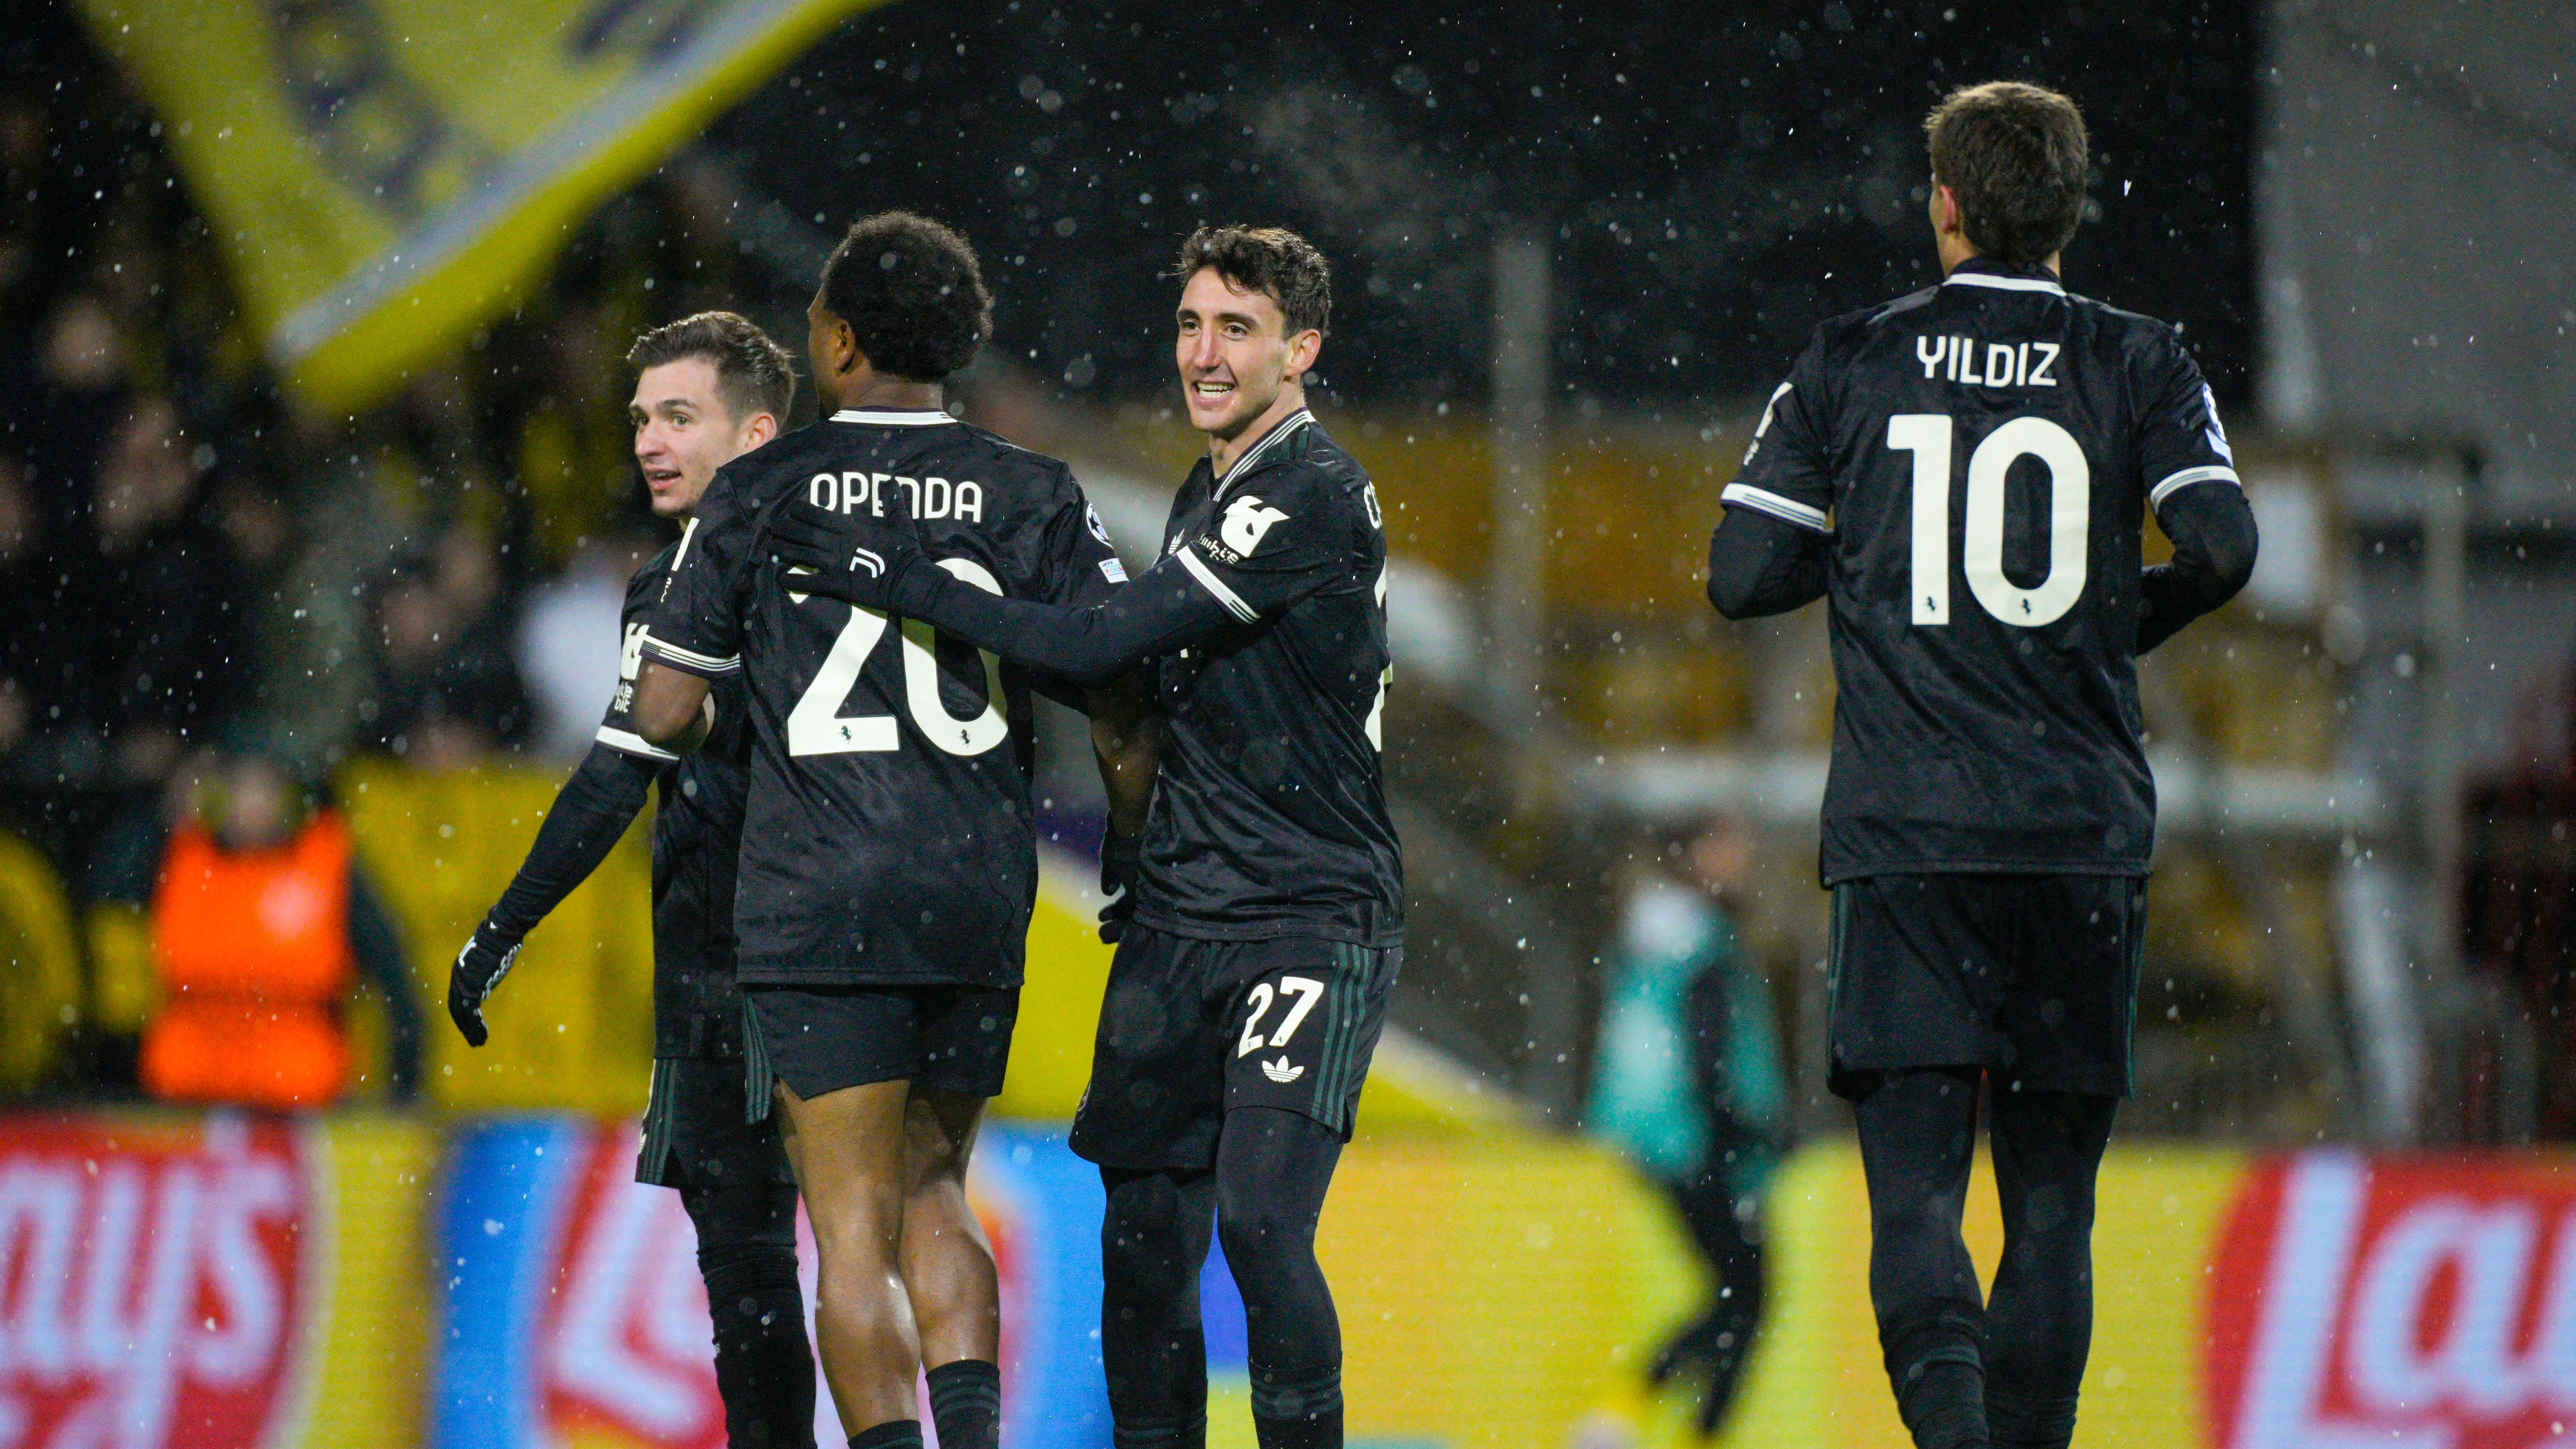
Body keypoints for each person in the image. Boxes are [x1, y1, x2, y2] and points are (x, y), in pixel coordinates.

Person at [766, 224, 1401, 1449]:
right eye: (1190, 325)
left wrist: (905, 577)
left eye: (1238, 329)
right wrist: (1137, 839)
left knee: (1262, 1223)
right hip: (1181, 915)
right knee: (1141, 1241)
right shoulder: (1203, 489)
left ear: (1302, 351)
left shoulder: (1309, 489)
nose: (1204, 355)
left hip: (1309, 917)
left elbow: (1110, 645)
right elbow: (1146, 679)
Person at [1703, 82, 2258, 1449]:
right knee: (2051, 1208)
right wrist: (2121, 612)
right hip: (2075, 833)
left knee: (1913, 1200)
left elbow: (1739, 573)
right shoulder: (2140, 358)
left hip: (1909, 834)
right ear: (2068, 211)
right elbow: (2225, 546)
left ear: (1941, 202)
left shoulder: (1851, 355)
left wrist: (1886, 557)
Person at [626, 213, 1157, 1449]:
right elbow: (1126, 692)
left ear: (842, 339)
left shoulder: (762, 490)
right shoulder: (1033, 491)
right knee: (936, 1186)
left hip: (820, 887)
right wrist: (1130, 845)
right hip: (974, 883)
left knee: (849, 1225)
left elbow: (662, 706)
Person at [447, 311, 819, 1448]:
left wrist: (502, 928)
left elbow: (614, 780)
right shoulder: (860, 568)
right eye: (642, 418)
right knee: (875, 1253)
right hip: (863, 954)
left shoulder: (679, 589)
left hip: (736, 963)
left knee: (755, 1281)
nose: (650, 442)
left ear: (755, 432)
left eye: (679, 416)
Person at [1582, 819, 1787, 1440]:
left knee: (1736, 1297)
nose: (1741, 859)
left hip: (1662, 1140)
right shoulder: (1704, 943)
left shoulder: (1651, 936)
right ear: (1696, 856)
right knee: (1745, 1298)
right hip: (1704, 1143)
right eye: (1729, 847)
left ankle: (1634, 1413)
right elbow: (1708, 1051)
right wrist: (1746, 1127)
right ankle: (1638, 1414)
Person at [143, 747, 419, 1108]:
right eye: (239, 788)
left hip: (301, 1103)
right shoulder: (177, 856)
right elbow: (104, 899)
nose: (252, 804)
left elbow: (396, 979)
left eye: (266, 790)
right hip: (186, 1100)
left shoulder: (327, 863)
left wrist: (402, 1092)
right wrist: (159, 817)